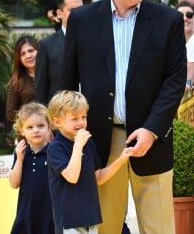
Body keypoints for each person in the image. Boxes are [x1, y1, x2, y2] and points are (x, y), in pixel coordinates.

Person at [60, 0, 187, 234]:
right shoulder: (81, 20)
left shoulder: (168, 20)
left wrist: (152, 129)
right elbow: (67, 83)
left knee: (160, 229)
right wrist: (68, 139)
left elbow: (175, 80)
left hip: (151, 140)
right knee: (105, 228)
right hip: (100, 141)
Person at [47, 90, 132, 234]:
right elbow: (72, 177)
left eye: (84, 117)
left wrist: (121, 160)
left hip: (90, 218)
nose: (81, 122)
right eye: (74, 119)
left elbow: (98, 178)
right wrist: (78, 145)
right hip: (69, 221)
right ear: (57, 122)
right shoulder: (55, 148)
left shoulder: (89, 143)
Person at [9, 102, 54, 234]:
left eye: (40, 126)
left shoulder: (55, 151)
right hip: (26, 214)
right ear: (22, 130)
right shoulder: (21, 152)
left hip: (51, 216)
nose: (36, 130)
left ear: (49, 127)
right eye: (30, 127)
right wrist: (20, 158)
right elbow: (13, 183)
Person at [35, 0, 83, 105]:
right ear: (59, 13)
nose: (79, 13)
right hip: (59, 115)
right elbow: (41, 89)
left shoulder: (95, 40)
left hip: (92, 115)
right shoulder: (47, 45)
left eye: (81, 9)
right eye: (72, 10)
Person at [6, 35, 39, 122]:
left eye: (31, 51)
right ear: (19, 59)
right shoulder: (16, 81)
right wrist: (33, 114)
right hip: (29, 131)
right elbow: (10, 113)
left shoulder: (52, 74)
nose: (28, 56)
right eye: (22, 54)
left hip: (53, 130)